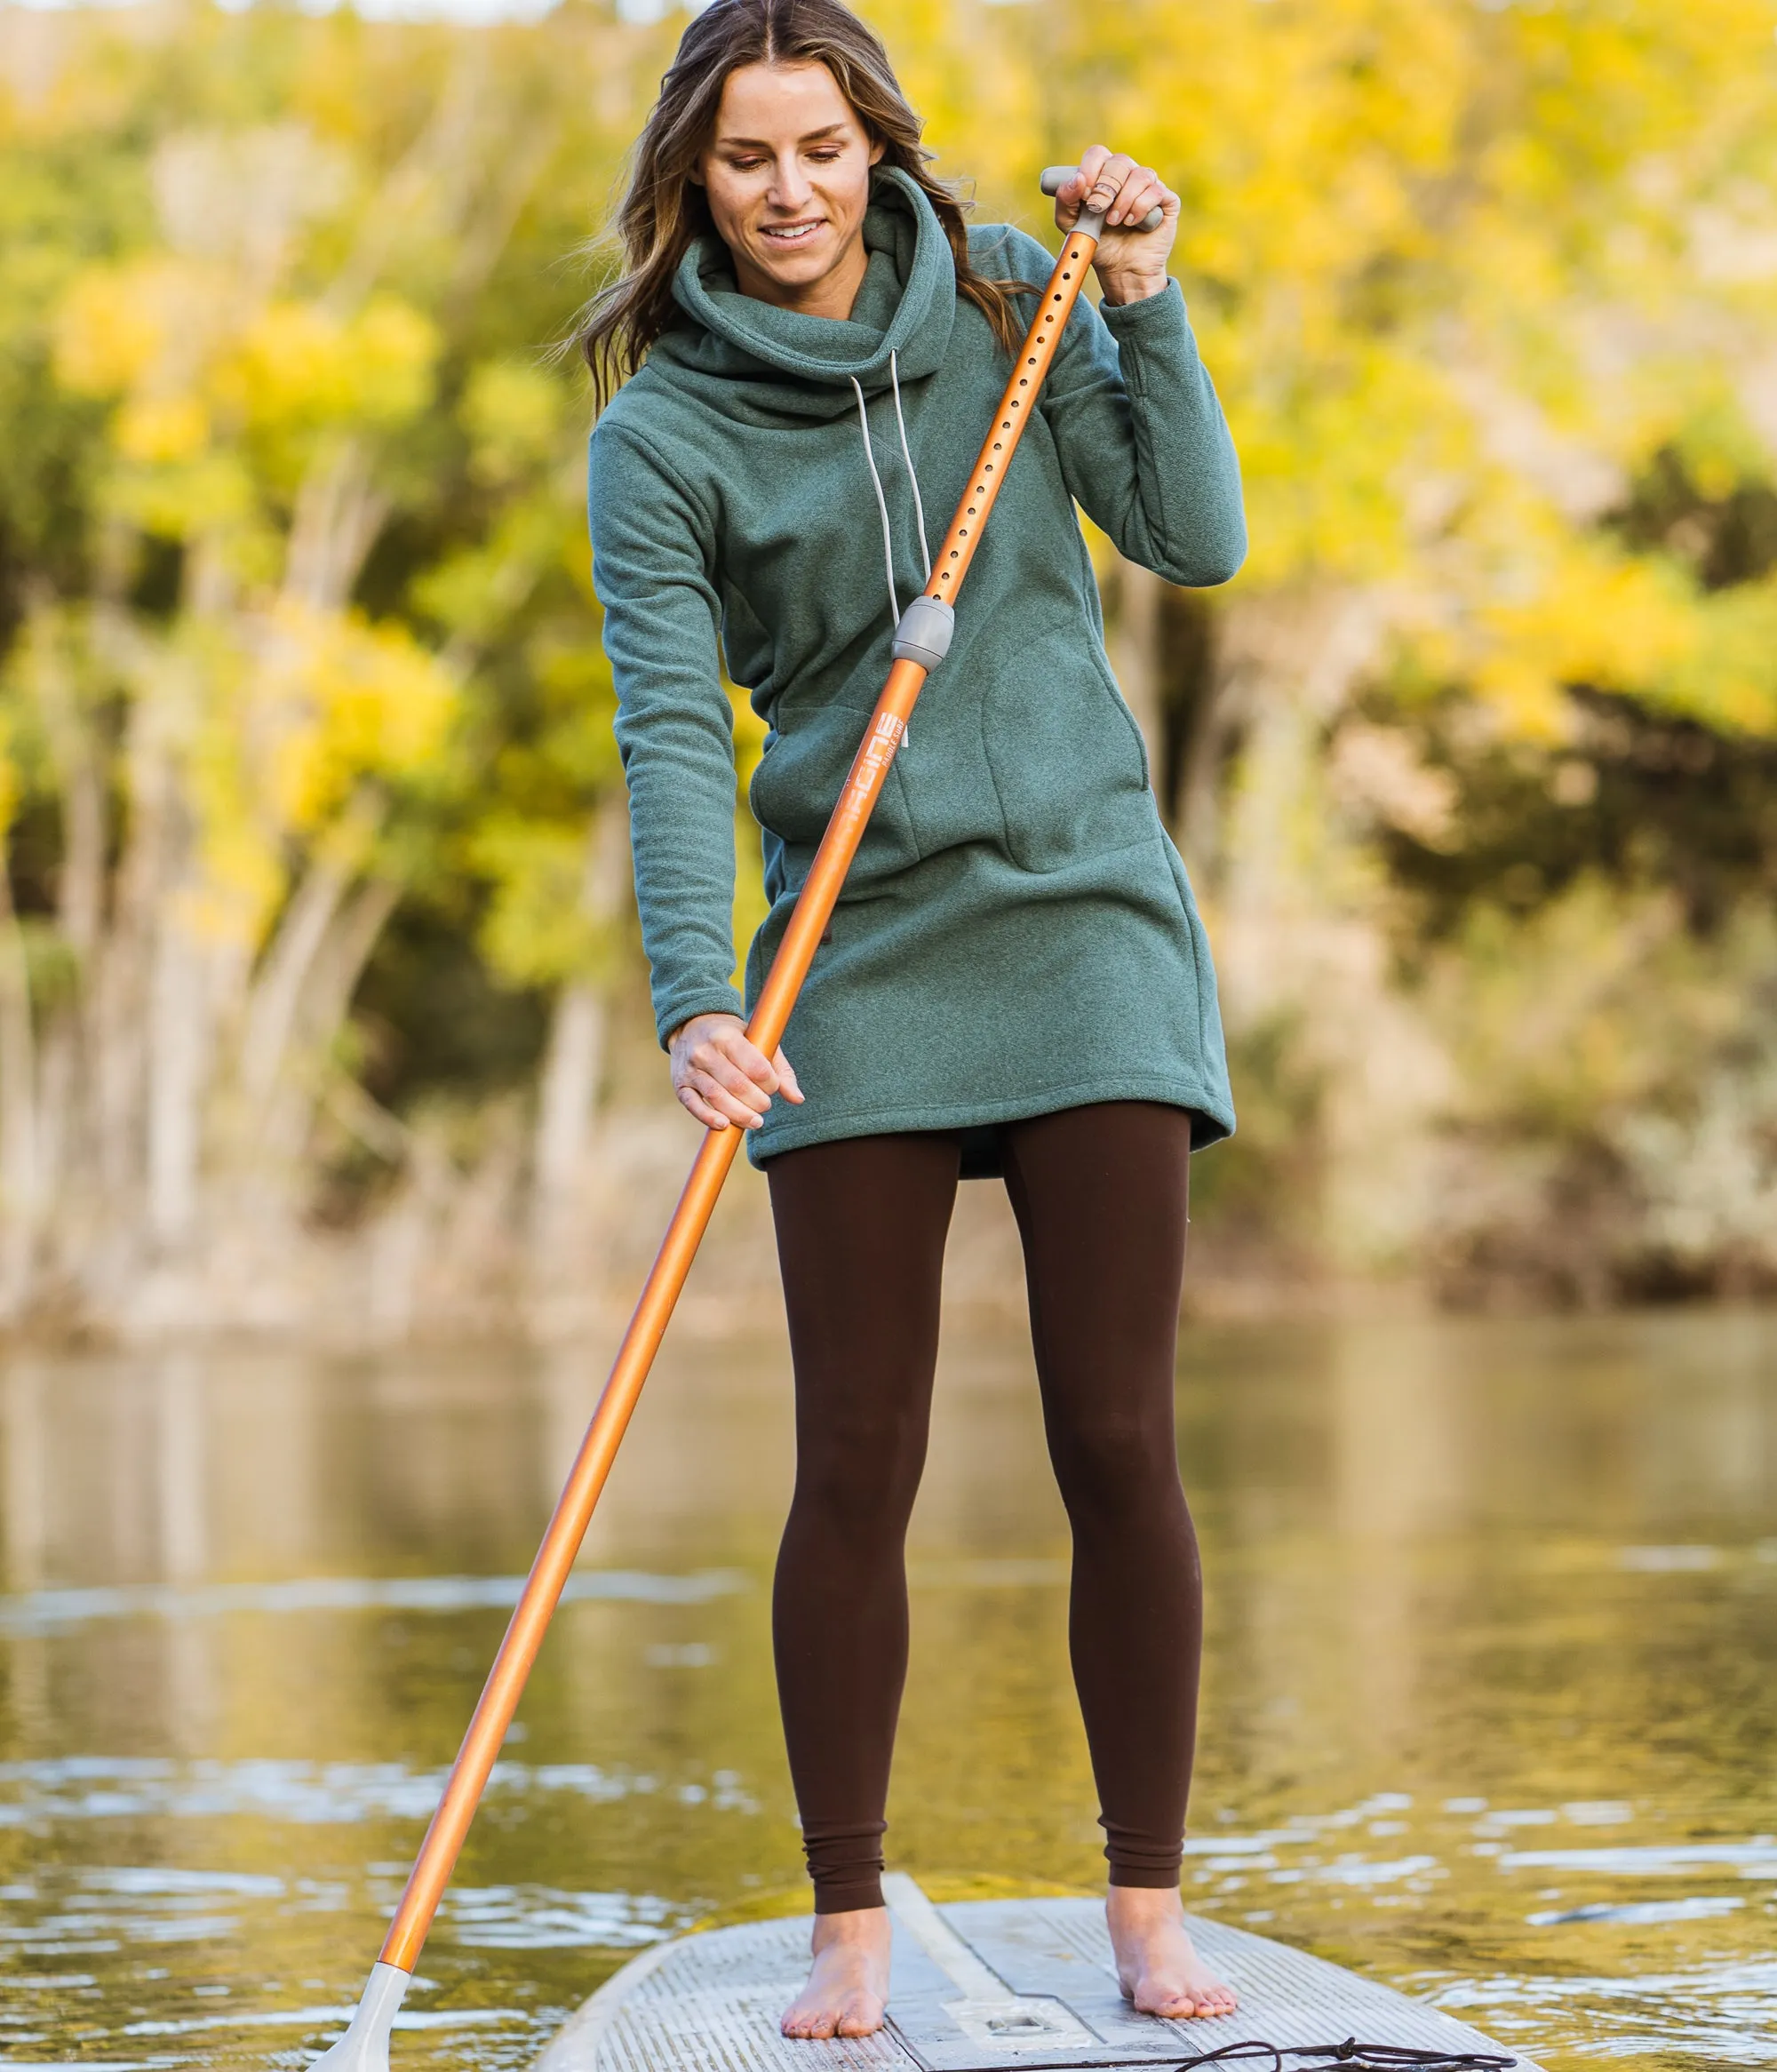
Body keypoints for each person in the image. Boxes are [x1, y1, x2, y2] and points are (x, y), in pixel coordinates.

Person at [581, 0, 1245, 2040]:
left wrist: (1141, 298)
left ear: (879, 144)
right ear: (694, 176)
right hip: (844, 952)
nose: (790, 191)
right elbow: (674, 737)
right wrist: (699, 993)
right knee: (853, 1448)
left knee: (1117, 1434)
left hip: (1081, 914)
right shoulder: (659, 433)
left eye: (822, 147)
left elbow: (1193, 532)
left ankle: (1145, 1901)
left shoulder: (1007, 295)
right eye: (746, 158)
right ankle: (846, 1916)